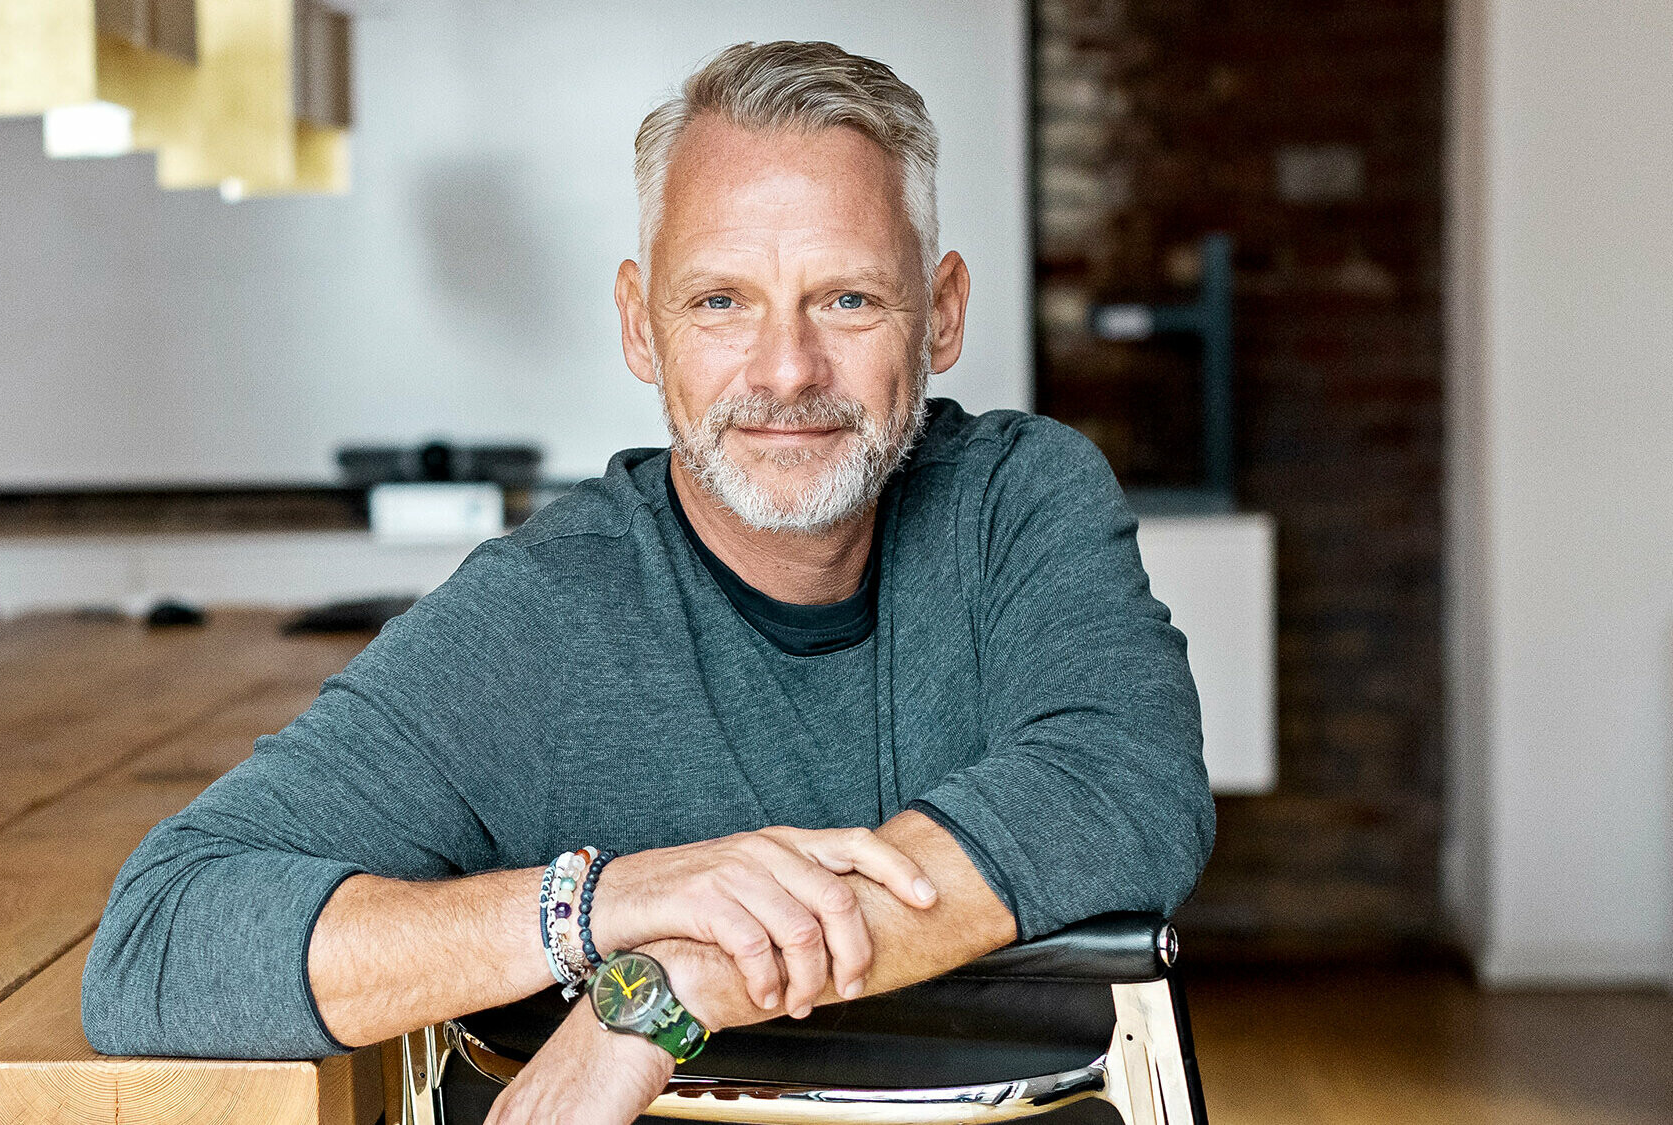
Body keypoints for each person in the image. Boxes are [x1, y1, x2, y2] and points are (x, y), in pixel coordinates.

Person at [83, 39, 1213, 1125]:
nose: (786, 371)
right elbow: (162, 944)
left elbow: (1118, 785)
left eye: (848, 300)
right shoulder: (539, 615)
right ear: (638, 323)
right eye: (719, 302)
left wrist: (666, 988)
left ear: (944, 314)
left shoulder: (1015, 503)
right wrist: (600, 906)